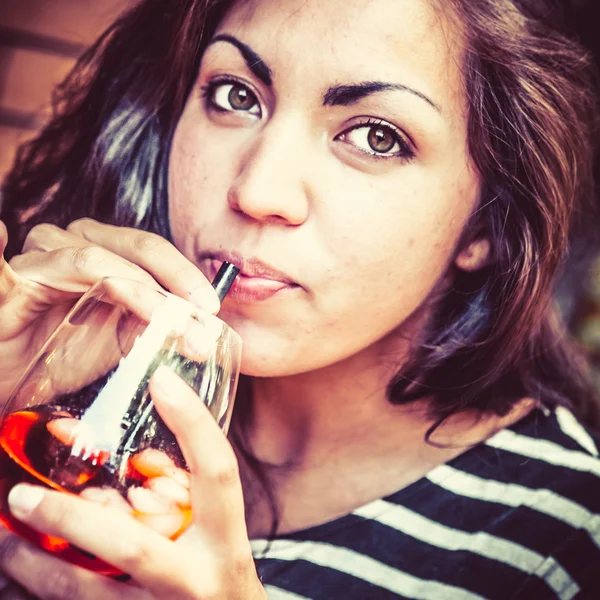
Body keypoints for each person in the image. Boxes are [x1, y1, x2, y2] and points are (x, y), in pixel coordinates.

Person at [0, 0, 599, 597]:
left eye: (376, 136)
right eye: (236, 96)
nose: (257, 190)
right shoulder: (62, 397)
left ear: (486, 227)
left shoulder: (561, 537)